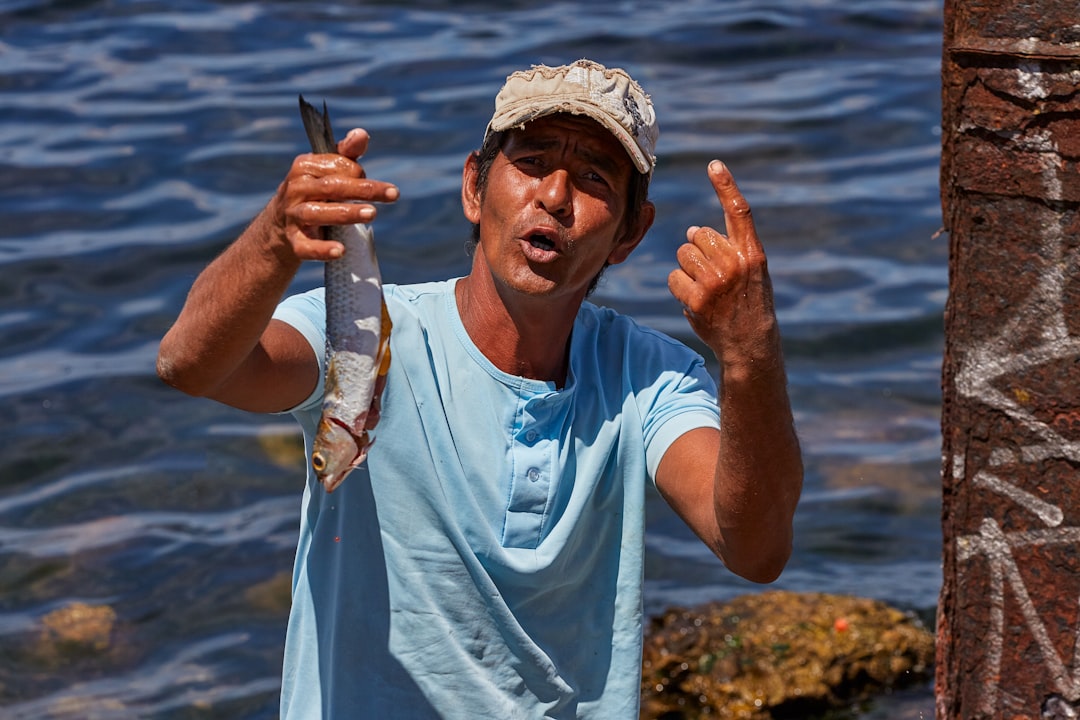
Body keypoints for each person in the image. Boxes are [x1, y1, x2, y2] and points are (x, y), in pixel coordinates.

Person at [157, 59, 802, 719]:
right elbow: (190, 365)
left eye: (592, 176)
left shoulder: (650, 378)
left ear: (629, 234)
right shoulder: (363, 329)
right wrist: (274, 237)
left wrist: (751, 352)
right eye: (530, 161)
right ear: (474, 186)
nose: (554, 195)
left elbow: (755, 549)